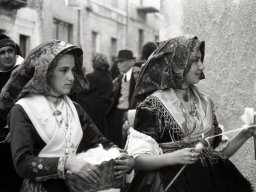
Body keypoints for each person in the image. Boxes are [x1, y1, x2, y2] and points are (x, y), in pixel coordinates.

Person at [125, 35, 255, 192]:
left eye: (201, 60)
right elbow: (137, 161)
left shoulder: (204, 102)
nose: (201, 66)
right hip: (170, 184)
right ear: (178, 63)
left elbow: (217, 156)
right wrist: (174, 157)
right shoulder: (152, 106)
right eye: (195, 60)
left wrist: (245, 134)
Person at [0, 40, 134, 192]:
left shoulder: (74, 108)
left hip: (76, 186)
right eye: (64, 70)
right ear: (45, 72)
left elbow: (99, 141)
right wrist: (67, 163)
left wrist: (124, 158)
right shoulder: (23, 109)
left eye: (73, 70)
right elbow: (22, 163)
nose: (71, 77)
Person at [0, 34, 24, 192]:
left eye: (10, 50)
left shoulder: (23, 75)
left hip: (18, 138)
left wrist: (15, 127)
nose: (8, 55)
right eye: (2, 52)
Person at [75, 53, 113, 136]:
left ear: (94, 64)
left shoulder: (91, 77)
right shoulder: (109, 76)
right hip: (104, 111)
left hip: (92, 112)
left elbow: (78, 89)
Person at [106, 49, 136, 148]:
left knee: (127, 143)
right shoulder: (120, 77)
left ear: (130, 62)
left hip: (129, 114)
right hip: (118, 114)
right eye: (118, 62)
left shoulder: (136, 76)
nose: (118, 65)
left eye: (121, 62)